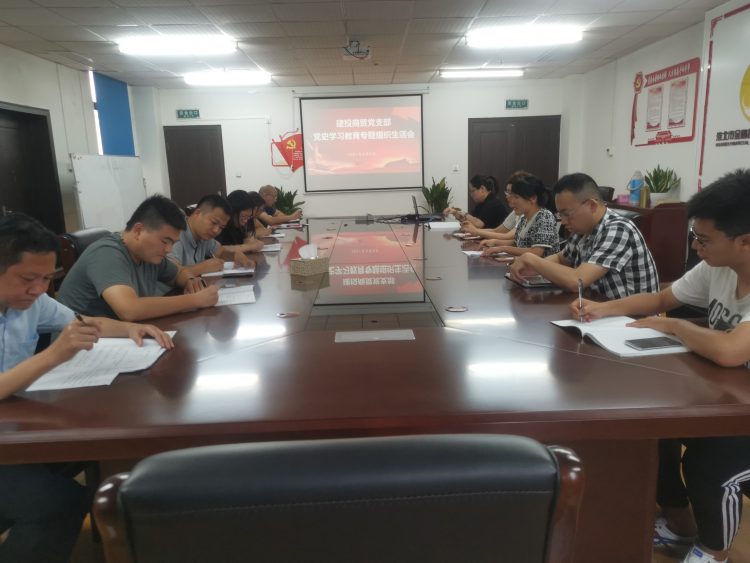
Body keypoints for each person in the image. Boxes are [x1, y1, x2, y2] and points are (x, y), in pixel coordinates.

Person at [570, 169, 750, 563]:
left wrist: (674, 326)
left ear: (745, 241)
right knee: (658, 431)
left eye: (704, 239)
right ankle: (680, 522)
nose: (696, 247)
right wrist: (602, 309)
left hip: (741, 414)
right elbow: (660, 299)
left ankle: (714, 551)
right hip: (730, 397)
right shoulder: (718, 266)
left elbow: (730, 351)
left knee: (710, 462)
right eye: (694, 237)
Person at [0, 213, 173, 563]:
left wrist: (128, 329)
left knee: (103, 447)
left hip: (14, 426)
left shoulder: (31, 302)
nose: (38, 289)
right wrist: (53, 355)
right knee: (58, 506)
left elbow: (81, 322)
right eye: (28, 279)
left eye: (47, 279)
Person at [58, 195, 218, 321]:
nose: (169, 249)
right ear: (138, 230)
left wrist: (190, 280)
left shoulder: (149, 254)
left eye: (173, 243)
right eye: (165, 241)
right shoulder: (107, 253)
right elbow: (129, 309)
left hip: (121, 336)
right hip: (82, 345)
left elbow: (179, 273)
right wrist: (195, 300)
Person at [509, 172, 659, 297]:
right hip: (597, 309)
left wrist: (532, 260)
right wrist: (534, 269)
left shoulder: (618, 229)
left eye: (566, 214)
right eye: (560, 214)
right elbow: (561, 258)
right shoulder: (582, 229)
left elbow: (577, 281)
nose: (563, 221)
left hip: (631, 319)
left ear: (592, 205)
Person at [168, 194, 254, 277]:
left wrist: (234, 255)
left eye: (221, 227)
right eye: (214, 222)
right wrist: (202, 268)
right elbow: (171, 273)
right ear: (197, 213)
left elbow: (220, 252)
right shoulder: (176, 233)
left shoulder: (204, 236)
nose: (216, 230)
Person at [481, 174, 559, 258]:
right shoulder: (524, 218)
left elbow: (536, 252)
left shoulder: (544, 217)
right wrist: (495, 242)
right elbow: (516, 243)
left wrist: (502, 248)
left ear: (533, 198)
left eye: (516, 197)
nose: (511, 202)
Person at [465, 170, 530, 244]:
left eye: (512, 194)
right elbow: (500, 233)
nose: (507, 197)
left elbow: (508, 236)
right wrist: (497, 243)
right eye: (507, 193)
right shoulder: (519, 212)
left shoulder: (493, 204)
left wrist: (476, 231)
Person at [444, 175, 509, 230]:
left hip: (496, 239)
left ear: (482, 189)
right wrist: (455, 213)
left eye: (472, 191)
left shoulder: (493, 203)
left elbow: (478, 224)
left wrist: (465, 214)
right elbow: (470, 221)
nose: (471, 194)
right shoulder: (481, 204)